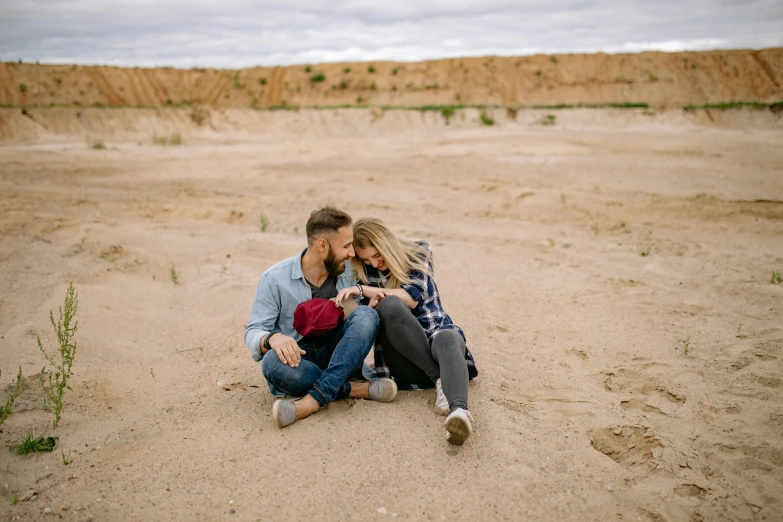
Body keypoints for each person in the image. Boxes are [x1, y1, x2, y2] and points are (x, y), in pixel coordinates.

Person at [244, 207, 398, 428]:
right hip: (301, 361)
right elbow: (253, 331)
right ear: (322, 245)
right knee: (271, 363)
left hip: (343, 354)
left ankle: (310, 402)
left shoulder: (350, 271)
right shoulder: (274, 279)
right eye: (346, 246)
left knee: (366, 315)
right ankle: (353, 389)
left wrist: (368, 306)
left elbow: (363, 319)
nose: (352, 253)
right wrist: (271, 339)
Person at [334, 217, 478, 445]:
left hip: (442, 349)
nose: (374, 263)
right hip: (406, 359)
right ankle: (440, 380)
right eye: (367, 259)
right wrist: (371, 309)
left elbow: (411, 298)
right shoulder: (362, 272)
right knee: (388, 305)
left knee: (448, 336)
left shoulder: (419, 251)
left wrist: (362, 290)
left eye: (377, 255)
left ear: (386, 244)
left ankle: (459, 412)